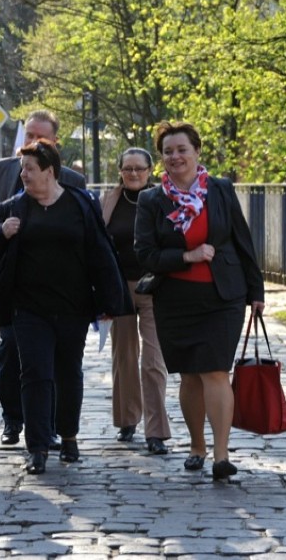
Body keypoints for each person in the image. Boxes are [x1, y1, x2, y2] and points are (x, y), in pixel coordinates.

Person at [0, 138, 132, 474]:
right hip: (29, 307)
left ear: (50, 171)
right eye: (22, 170)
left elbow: (100, 252)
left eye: (30, 170)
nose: (24, 175)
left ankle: (68, 436)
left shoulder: (81, 203)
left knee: (68, 372)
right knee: (34, 373)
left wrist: (108, 300)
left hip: (73, 306)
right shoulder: (13, 208)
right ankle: (37, 447)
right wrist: (1, 233)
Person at [134, 121, 264, 481]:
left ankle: (221, 455)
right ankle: (197, 446)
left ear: (197, 152)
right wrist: (186, 257)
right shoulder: (151, 199)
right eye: (168, 152)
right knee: (190, 376)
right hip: (175, 300)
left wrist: (257, 292)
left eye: (182, 150)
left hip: (224, 296)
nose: (175, 157)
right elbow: (145, 253)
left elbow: (243, 241)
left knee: (216, 371)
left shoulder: (220, 190)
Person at [0, 110, 85, 448]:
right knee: (10, 352)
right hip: (10, 281)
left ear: (55, 142)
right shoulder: (5, 169)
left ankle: (47, 426)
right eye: (28, 136)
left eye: (41, 137)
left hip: (58, 290)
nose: (32, 143)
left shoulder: (73, 181)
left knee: (49, 360)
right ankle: (13, 419)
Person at [100, 148, 171, 454]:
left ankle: (156, 431)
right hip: (119, 287)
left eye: (138, 169)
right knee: (124, 358)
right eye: (127, 168)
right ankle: (127, 420)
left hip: (154, 287)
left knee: (154, 361)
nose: (132, 174)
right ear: (119, 171)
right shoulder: (109, 202)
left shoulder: (161, 199)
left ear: (150, 170)